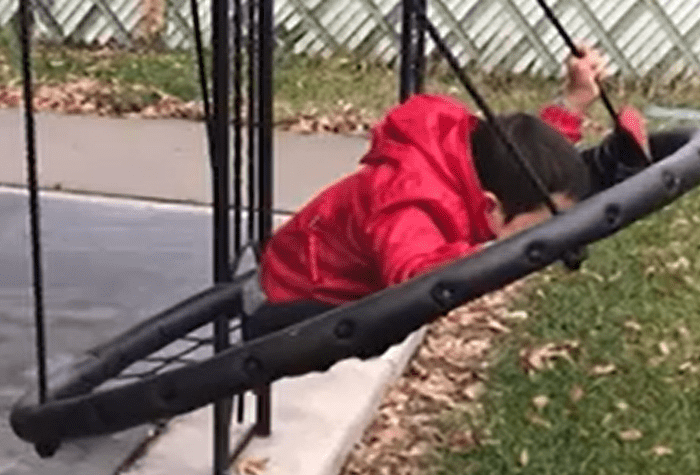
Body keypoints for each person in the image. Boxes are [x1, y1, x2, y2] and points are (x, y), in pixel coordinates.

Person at [243, 47, 648, 339]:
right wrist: (492, 256)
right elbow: (413, 280)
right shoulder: (411, 200)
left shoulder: (474, 159)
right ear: (491, 207)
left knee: (544, 190)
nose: (539, 238)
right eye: (535, 230)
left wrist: (574, 100)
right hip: (292, 301)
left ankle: (611, 166)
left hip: (317, 272)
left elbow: (531, 163)